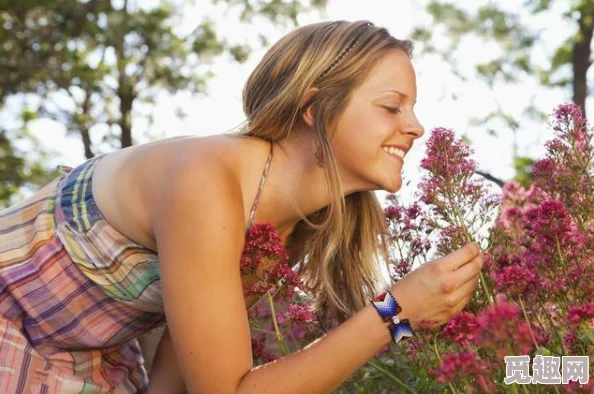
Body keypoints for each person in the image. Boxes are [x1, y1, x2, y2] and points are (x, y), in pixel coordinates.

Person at [0, 20, 484, 393]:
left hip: (79, 357)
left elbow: (181, 372)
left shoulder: (285, 224)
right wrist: (395, 312)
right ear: (314, 108)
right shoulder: (206, 183)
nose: (417, 126)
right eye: (392, 106)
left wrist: (404, 317)